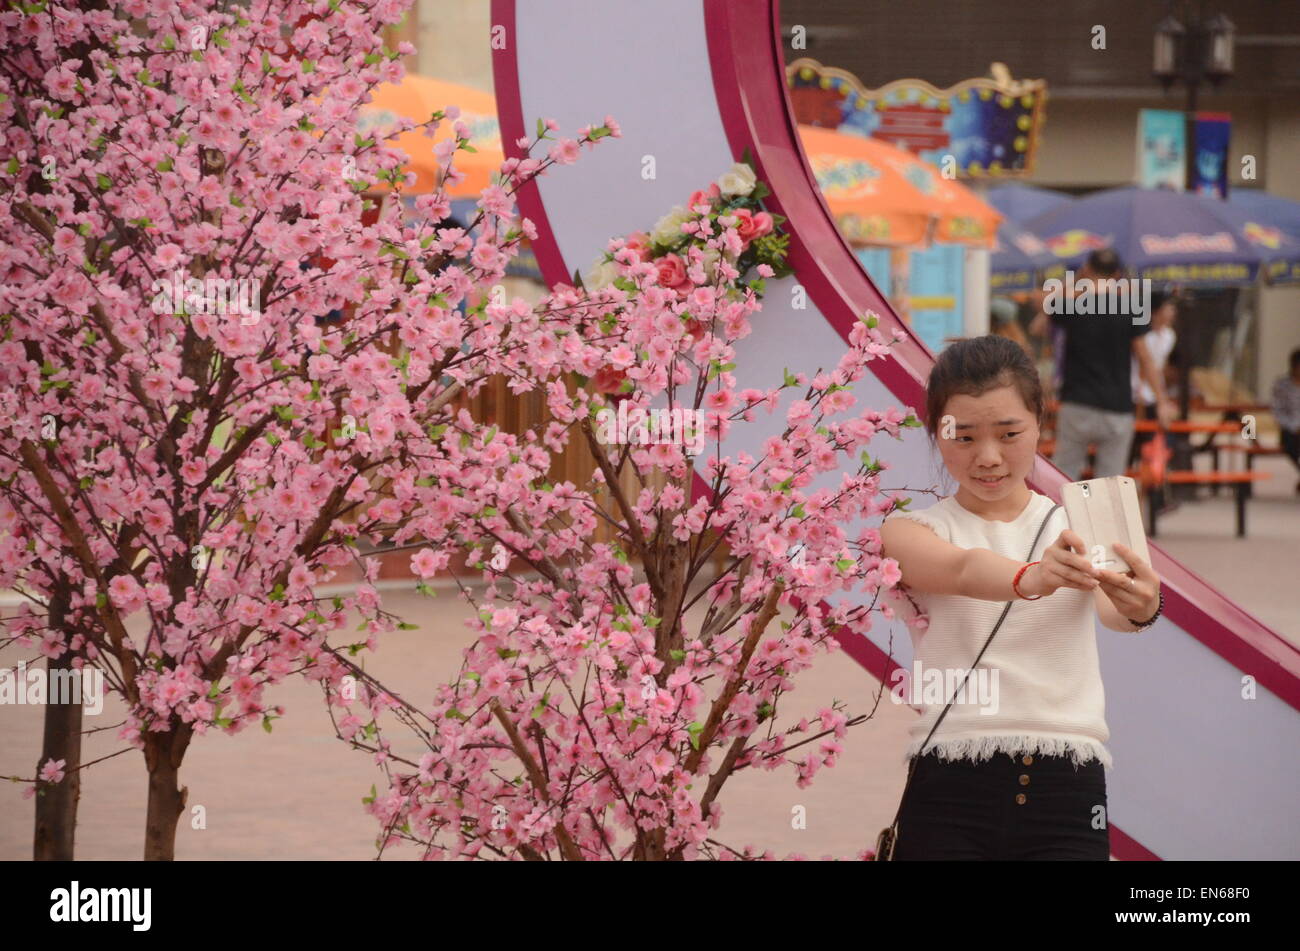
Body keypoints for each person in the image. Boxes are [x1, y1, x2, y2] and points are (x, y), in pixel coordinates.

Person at [879, 335, 1164, 860]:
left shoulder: (1080, 524)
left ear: (1040, 421)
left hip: (1067, 786)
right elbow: (961, 570)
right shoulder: (908, 531)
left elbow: (1122, 612)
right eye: (963, 437)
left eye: (1009, 433)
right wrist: (1033, 576)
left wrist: (1144, 603)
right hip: (948, 786)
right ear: (935, 433)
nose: (988, 457)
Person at [1051, 249, 1176, 480]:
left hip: (1077, 401)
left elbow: (1048, 304)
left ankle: (1063, 517)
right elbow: (1145, 357)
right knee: (1111, 481)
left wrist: (1078, 279)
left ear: (1087, 269)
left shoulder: (1072, 304)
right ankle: (1104, 518)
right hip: (1117, 404)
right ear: (1117, 273)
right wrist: (1162, 401)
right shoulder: (1128, 307)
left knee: (1064, 475)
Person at [1127, 292, 1180, 469]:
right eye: (1169, 308)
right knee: (1131, 447)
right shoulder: (1142, 334)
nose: (1173, 312)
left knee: (1158, 445)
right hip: (1136, 394)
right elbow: (1144, 364)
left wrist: (1162, 398)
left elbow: (1160, 366)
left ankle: (1152, 489)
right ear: (1156, 311)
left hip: (1155, 394)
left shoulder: (1169, 336)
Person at [1270, 347, 1300, 494]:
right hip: (1291, 430)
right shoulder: (1282, 385)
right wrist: (1294, 426)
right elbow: (1277, 412)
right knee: (1291, 443)